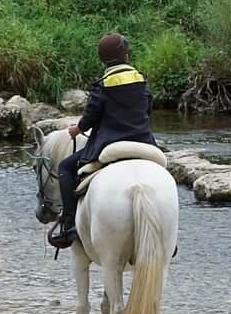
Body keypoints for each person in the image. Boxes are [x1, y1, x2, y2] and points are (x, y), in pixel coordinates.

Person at [49, 33, 155, 250]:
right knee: (164, 173)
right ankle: (168, 236)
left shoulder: (103, 84)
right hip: (144, 143)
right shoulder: (141, 80)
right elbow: (147, 110)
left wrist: (77, 129)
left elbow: (90, 118)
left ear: (104, 59)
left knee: (65, 168)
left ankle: (69, 224)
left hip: (108, 145)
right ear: (126, 55)